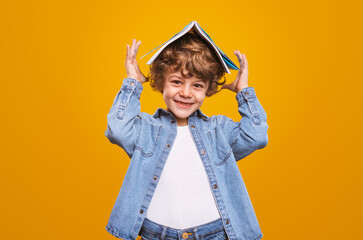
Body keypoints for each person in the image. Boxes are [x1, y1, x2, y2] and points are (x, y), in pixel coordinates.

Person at [104, 32, 268, 240]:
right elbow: (116, 129)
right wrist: (132, 83)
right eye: (176, 82)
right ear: (161, 81)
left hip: (214, 233)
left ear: (208, 87)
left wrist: (244, 91)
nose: (186, 93)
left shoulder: (218, 130)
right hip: (156, 234)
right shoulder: (147, 128)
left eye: (197, 85)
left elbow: (256, 136)